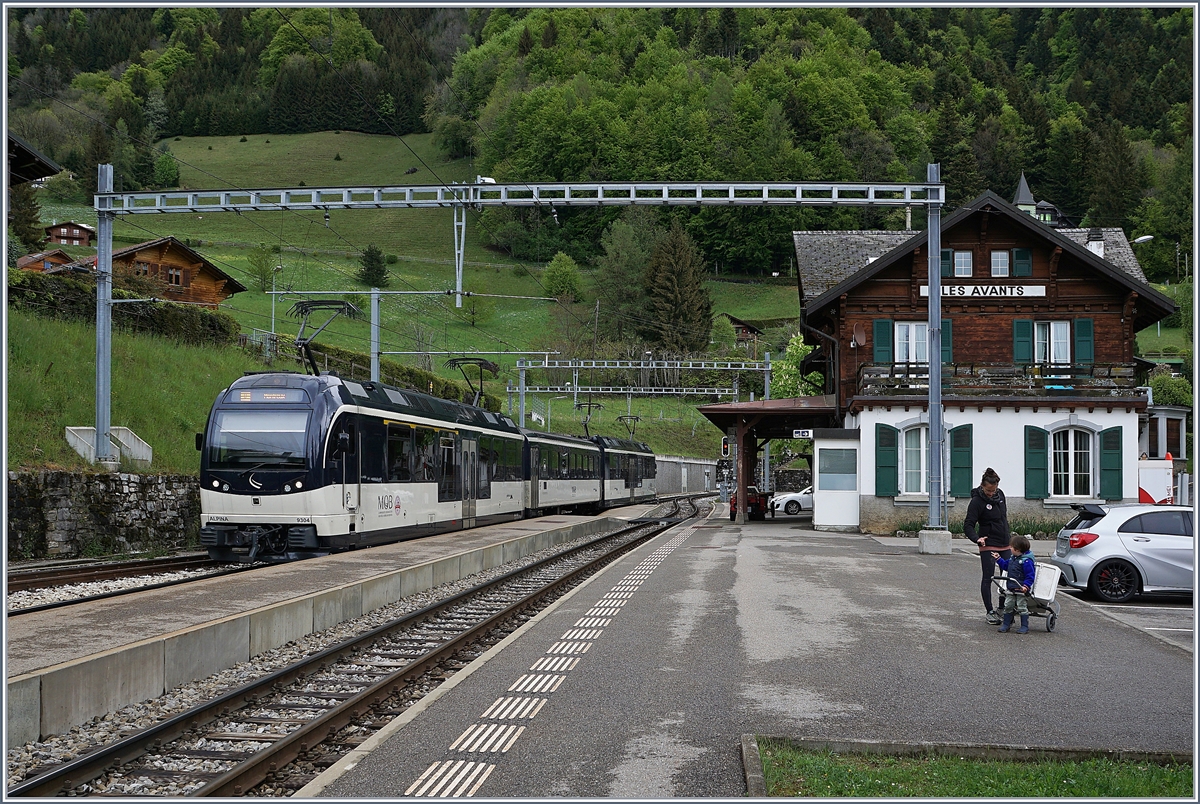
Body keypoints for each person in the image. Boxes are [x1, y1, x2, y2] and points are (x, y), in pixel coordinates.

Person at [964, 467, 1011, 624]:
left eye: (994, 489)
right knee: (989, 577)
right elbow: (968, 525)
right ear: (982, 486)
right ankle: (989, 611)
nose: (991, 493)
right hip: (988, 544)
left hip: (1005, 544)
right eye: (988, 490)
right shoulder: (977, 501)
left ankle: (1002, 608)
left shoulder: (1001, 495)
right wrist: (977, 539)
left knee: (1007, 576)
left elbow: (1003, 518)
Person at [995, 535, 1036, 634]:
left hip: (1021, 589)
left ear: (1017, 549)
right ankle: (1006, 624)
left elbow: (1030, 576)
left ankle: (1024, 626)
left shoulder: (1026, 561)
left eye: (1012, 547)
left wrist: (1026, 586)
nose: (1010, 548)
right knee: (1008, 605)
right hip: (1011, 588)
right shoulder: (1013, 559)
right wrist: (999, 559)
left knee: (1022, 607)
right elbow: (1006, 566)